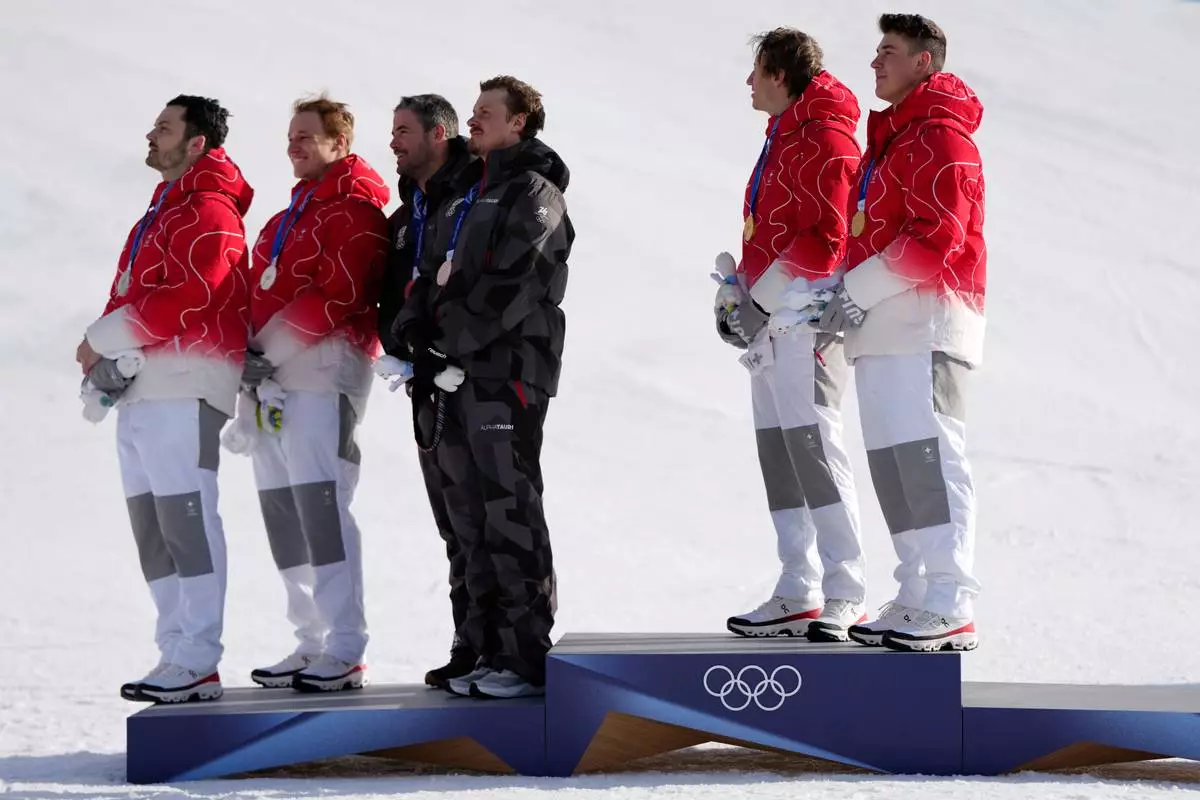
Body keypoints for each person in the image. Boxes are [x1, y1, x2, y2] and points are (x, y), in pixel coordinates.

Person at [395, 76, 572, 699]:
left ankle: (524, 658)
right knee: (467, 517)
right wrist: (416, 335)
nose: (473, 122)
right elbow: (428, 276)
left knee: (510, 509)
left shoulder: (534, 191)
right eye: (471, 113)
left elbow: (518, 282)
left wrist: (451, 340)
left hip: (508, 372)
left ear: (519, 122)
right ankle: (482, 647)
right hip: (456, 374)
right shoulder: (468, 191)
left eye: (486, 113)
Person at [814, 14, 986, 652]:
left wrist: (856, 292)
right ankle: (916, 591)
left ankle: (951, 597)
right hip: (885, 329)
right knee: (894, 464)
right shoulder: (892, 139)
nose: (874, 63)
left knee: (932, 460)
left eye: (888, 52)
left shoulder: (941, 136)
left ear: (924, 62)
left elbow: (938, 237)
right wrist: (839, 294)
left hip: (930, 323)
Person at [76, 95, 254, 703]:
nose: (150, 136)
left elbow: (190, 296)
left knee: (187, 519)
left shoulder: (211, 210)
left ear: (197, 142)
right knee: (153, 528)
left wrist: (100, 338)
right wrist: (100, 357)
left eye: (164, 128)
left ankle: (199, 657)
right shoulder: (164, 208)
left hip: (187, 384)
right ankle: (175, 649)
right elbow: (128, 288)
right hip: (143, 387)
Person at [716, 28, 869, 642]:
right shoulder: (785, 137)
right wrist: (736, 297)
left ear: (781, 73)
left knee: (816, 451)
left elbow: (827, 237)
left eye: (757, 71)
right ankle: (797, 587)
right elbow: (773, 231)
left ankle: (845, 591)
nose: (749, 83)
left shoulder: (827, 138)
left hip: (805, 325)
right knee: (780, 457)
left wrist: (760, 299)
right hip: (771, 328)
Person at [237, 95, 390, 691]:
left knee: (323, 507)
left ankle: (346, 646)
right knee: (284, 513)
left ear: (340, 144)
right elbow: (258, 293)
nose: (293, 144)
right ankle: (310, 642)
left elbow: (339, 294)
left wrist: (264, 352)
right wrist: (249, 359)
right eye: (291, 135)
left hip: (326, 374)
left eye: (307, 135)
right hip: (271, 384)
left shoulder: (355, 213)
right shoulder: (283, 220)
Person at [377, 94, 486, 690]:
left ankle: (500, 645)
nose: (392, 141)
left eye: (402, 131)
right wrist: (397, 346)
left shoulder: (470, 195)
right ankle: (467, 639)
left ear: (438, 134)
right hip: (423, 380)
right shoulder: (404, 217)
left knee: (483, 516)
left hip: (468, 375)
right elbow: (391, 296)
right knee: (452, 520)